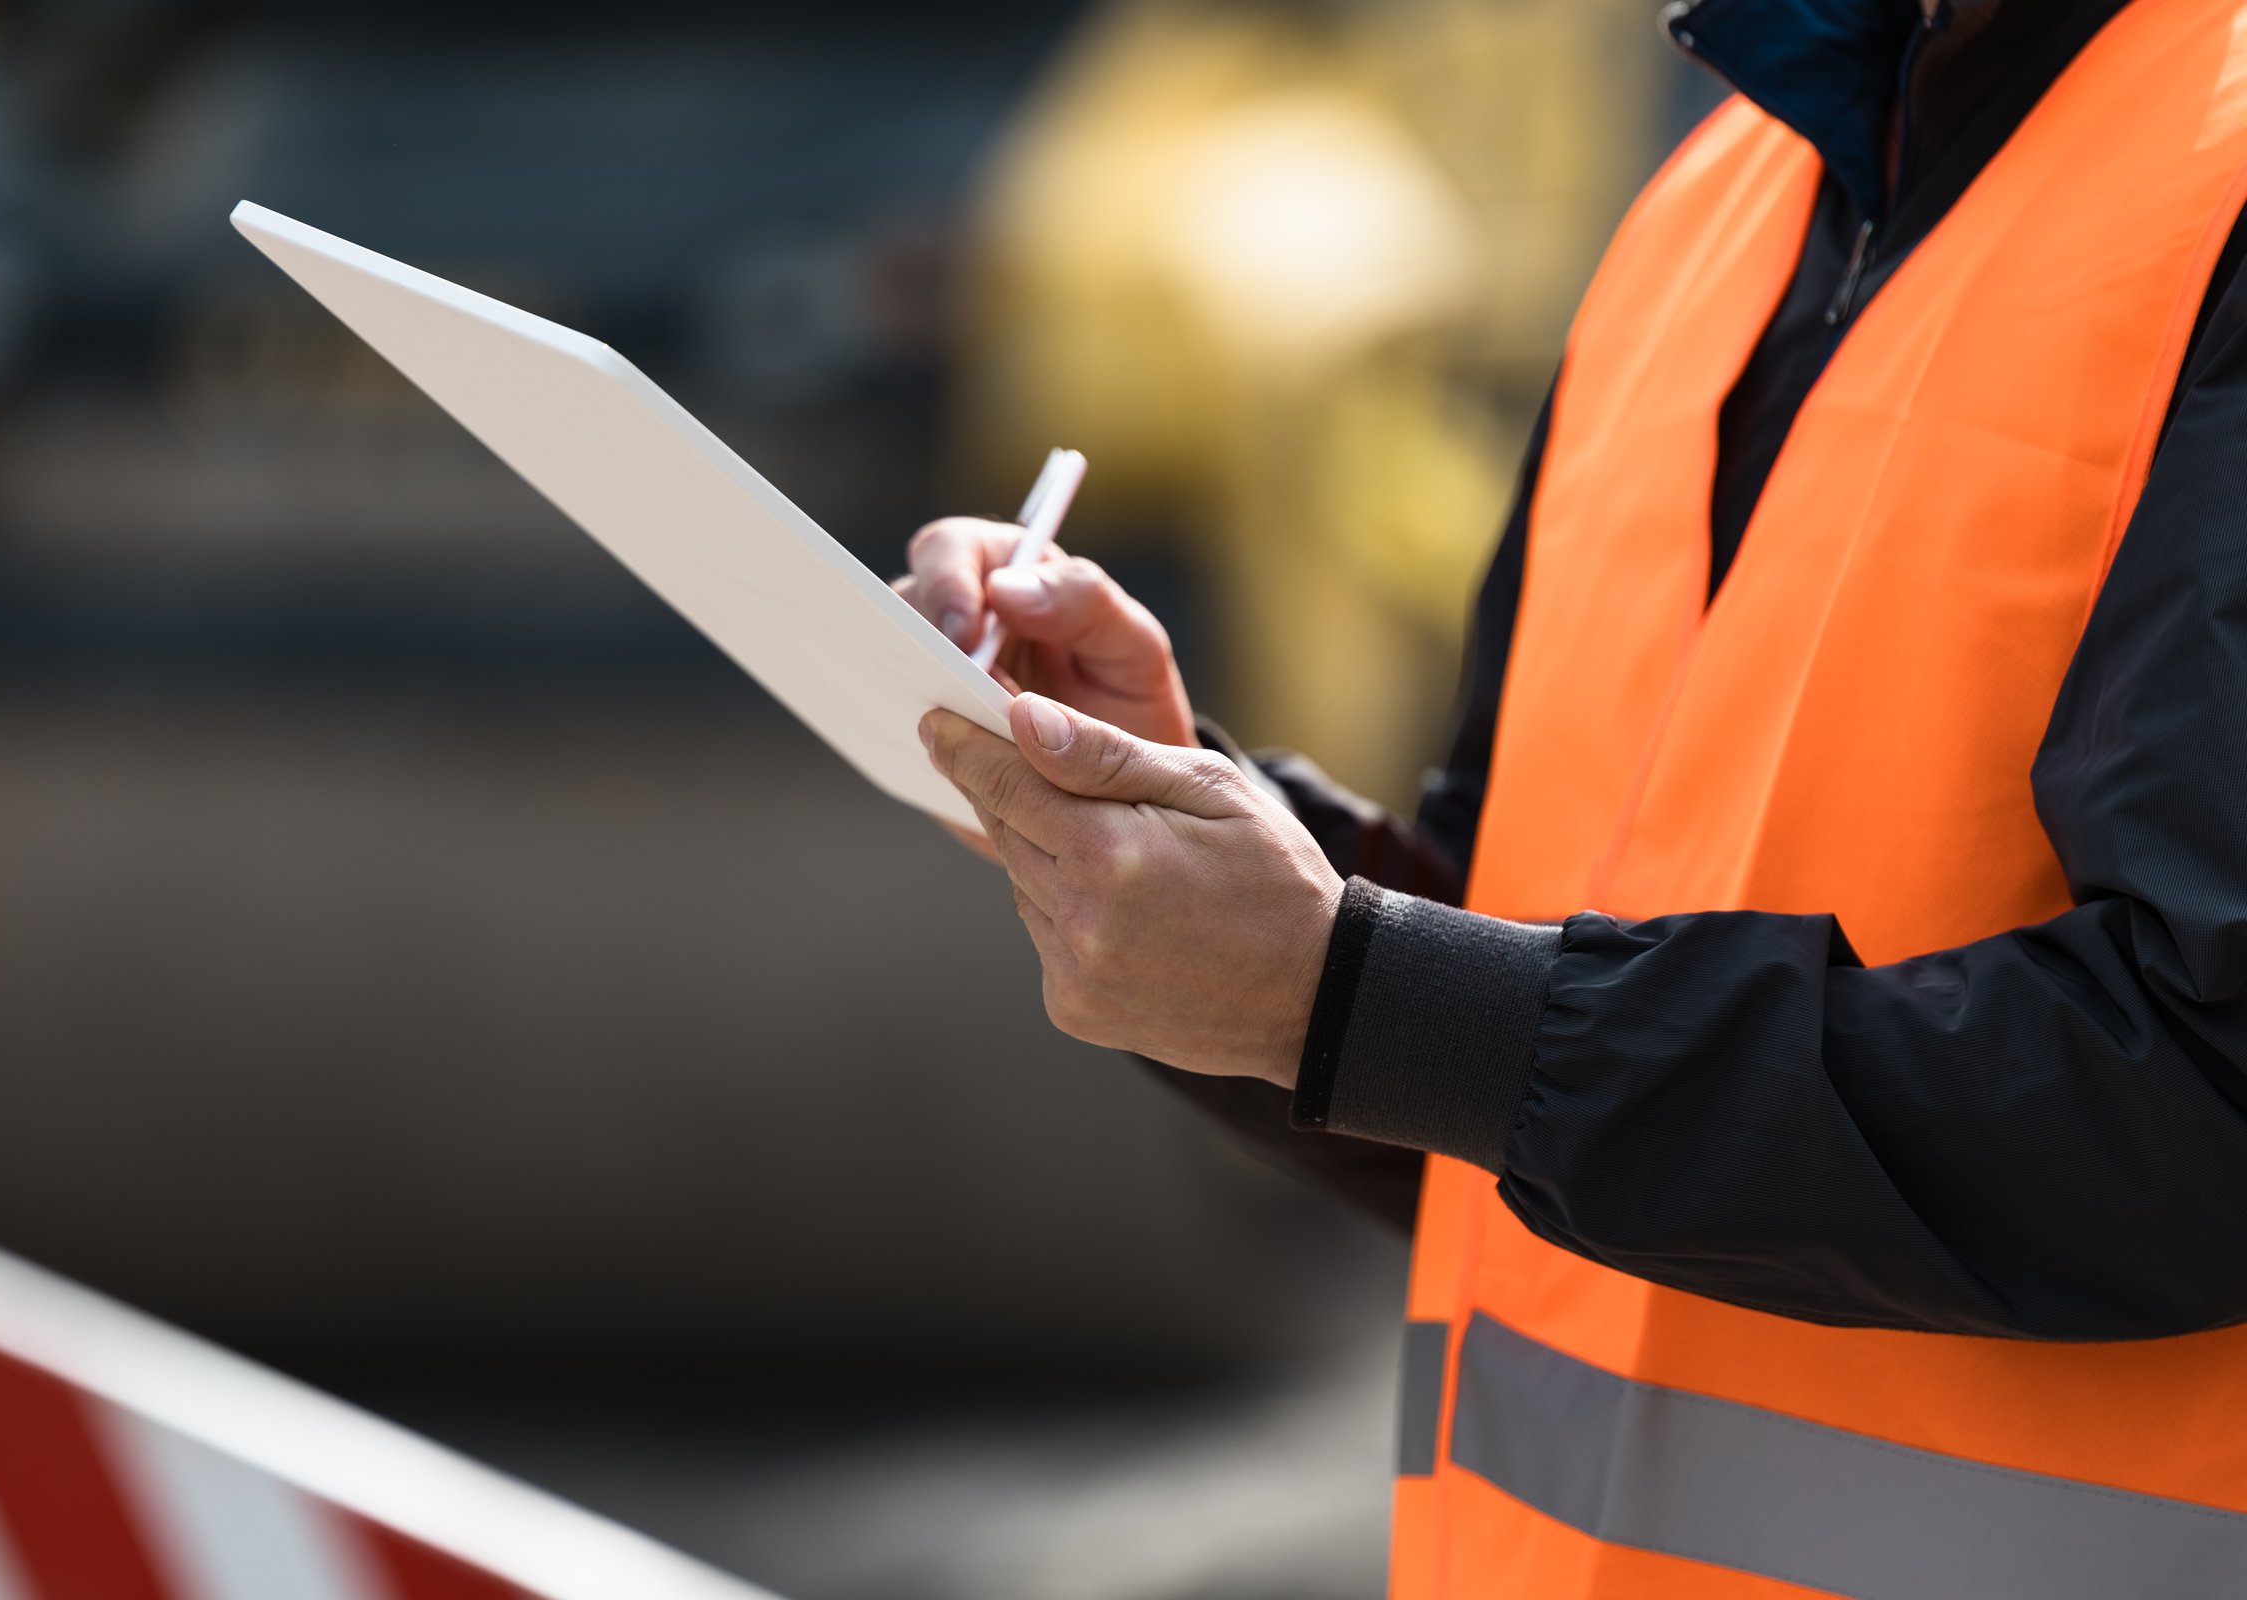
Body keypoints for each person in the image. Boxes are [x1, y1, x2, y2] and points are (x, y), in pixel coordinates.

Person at [897, 0, 2247, 1594]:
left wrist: (1358, 998)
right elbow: (1524, 1039)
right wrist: (1210, 853)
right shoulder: (1718, 203)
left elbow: (2204, 1094)